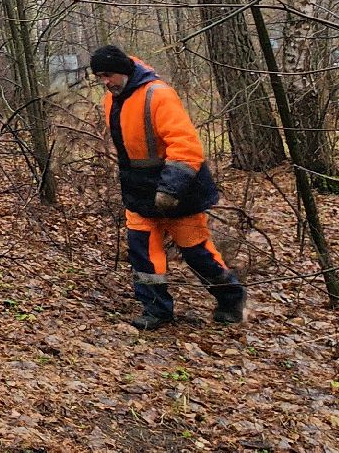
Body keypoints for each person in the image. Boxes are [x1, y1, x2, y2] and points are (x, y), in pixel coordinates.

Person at [90, 45, 247, 330]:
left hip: (179, 192)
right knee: (142, 252)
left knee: (197, 252)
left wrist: (170, 190)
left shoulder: (158, 95)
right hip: (138, 192)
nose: (105, 82)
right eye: (100, 77)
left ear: (123, 70)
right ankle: (156, 309)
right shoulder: (110, 101)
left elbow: (186, 148)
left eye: (108, 75)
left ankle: (231, 298)